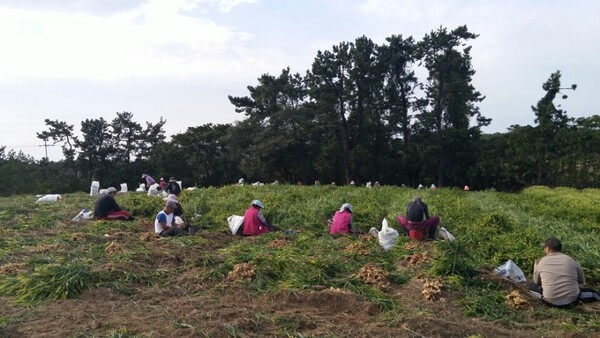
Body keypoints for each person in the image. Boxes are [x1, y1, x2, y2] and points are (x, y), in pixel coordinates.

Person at [529, 237, 585, 307]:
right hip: (572, 300)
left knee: (531, 286)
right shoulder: (572, 259)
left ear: (548, 249)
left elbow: (537, 282)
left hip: (550, 301)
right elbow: (581, 281)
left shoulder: (539, 261)